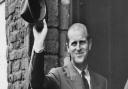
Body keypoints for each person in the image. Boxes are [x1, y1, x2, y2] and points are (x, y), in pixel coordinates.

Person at [27, 19, 107, 89]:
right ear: (68, 48)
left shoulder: (101, 82)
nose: (78, 48)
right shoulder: (58, 76)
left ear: (89, 44)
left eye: (82, 42)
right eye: (74, 44)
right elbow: (36, 84)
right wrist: (38, 42)